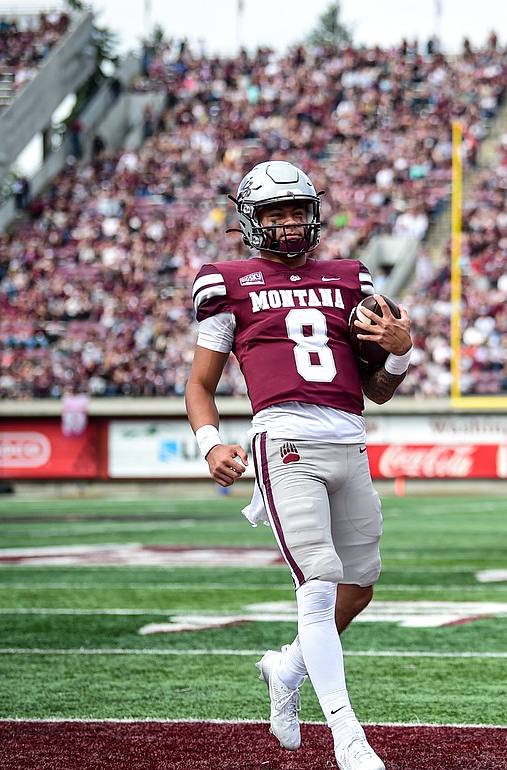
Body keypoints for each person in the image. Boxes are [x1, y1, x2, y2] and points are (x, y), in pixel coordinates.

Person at [185, 160, 412, 770]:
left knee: (358, 587)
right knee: (315, 582)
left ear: (313, 214)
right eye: (274, 213)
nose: (287, 223)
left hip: (349, 439)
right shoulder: (224, 281)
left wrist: (399, 356)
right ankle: (347, 735)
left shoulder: (349, 278)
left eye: (295, 211)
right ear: (252, 222)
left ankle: (284, 668)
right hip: (283, 440)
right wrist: (211, 443)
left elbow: (379, 390)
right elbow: (200, 384)